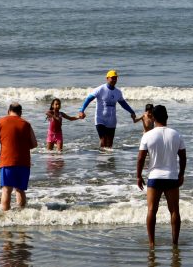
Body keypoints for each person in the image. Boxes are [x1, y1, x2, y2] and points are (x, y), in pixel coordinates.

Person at [136, 105, 187, 247]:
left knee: (152, 210)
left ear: (153, 118)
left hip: (155, 177)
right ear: (167, 117)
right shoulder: (176, 134)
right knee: (174, 210)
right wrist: (181, 174)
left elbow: (140, 158)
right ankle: (175, 243)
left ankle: (152, 243)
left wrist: (139, 176)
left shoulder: (148, 135)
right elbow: (183, 157)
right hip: (171, 177)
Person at [0, 102, 38, 211]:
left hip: (7, 161)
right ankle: (22, 214)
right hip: (23, 162)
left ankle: (5, 216)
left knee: (6, 190)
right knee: (20, 189)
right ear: (20, 112)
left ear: (8, 111)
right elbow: (34, 144)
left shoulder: (0, 122)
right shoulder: (26, 124)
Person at [78, 70, 137, 148]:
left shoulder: (118, 92)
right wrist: (81, 110)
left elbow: (123, 103)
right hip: (100, 119)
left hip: (111, 120)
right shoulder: (100, 89)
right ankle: (101, 159)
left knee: (110, 144)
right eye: (112, 78)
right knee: (103, 140)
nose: (114, 80)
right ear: (107, 78)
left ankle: (108, 159)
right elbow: (89, 99)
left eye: (115, 78)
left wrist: (132, 112)